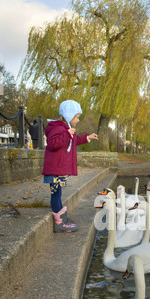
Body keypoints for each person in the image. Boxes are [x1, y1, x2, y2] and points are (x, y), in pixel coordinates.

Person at [42, 100, 99, 233]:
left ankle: (62, 218)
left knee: (58, 193)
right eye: (77, 117)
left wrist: (87, 137)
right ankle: (59, 223)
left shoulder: (65, 129)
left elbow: (74, 140)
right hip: (54, 170)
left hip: (58, 170)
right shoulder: (57, 128)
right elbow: (53, 143)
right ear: (69, 116)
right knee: (55, 194)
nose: (78, 120)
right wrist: (67, 134)